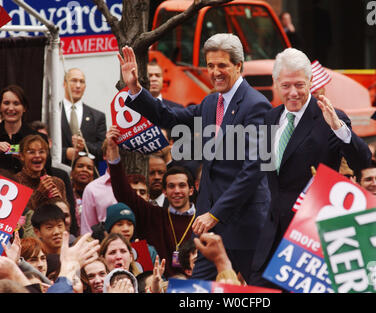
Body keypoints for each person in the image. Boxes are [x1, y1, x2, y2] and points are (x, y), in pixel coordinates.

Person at [119, 33, 271, 281]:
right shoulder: (211, 102)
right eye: (210, 65)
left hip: (244, 224)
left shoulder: (256, 105)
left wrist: (215, 213)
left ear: (238, 66)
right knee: (197, 288)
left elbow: (253, 170)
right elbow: (171, 117)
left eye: (222, 65)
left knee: (257, 290)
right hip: (209, 223)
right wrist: (136, 90)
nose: (215, 72)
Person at [249, 48, 371, 289]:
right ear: (276, 84)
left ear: (310, 82)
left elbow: (363, 161)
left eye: (299, 85)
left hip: (310, 238)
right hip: (271, 237)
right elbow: (265, 174)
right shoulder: (269, 119)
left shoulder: (330, 118)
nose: (293, 92)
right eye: (286, 86)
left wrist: (339, 129)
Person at [106, 126, 197, 278]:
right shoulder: (153, 215)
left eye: (182, 185)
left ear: (191, 190)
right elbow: (124, 193)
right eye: (171, 186)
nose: (176, 191)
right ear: (164, 192)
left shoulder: (204, 220)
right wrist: (113, 152)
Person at [60, 68, 106, 168]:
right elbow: (43, 146)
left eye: (82, 82)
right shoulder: (53, 113)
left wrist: (85, 146)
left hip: (88, 176)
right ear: (64, 83)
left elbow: (103, 152)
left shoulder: (98, 117)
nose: (78, 85)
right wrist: (65, 153)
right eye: (74, 80)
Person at [0, 85, 47, 175]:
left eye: (16, 103)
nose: (10, 108)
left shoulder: (39, 138)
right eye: (6, 103)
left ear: (24, 108)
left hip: (29, 188)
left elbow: (45, 173)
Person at [80, 140, 117, 235]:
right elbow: (88, 231)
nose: (117, 153)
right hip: (103, 246)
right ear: (104, 155)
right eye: (113, 149)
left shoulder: (136, 185)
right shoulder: (92, 189)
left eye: (121, 150)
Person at [70, 153, 96, 233]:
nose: (84, 170)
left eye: (89, 168)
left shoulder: (97, 196)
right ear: (72, 172)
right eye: (80, 166)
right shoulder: (66, 194)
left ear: (93, 176)